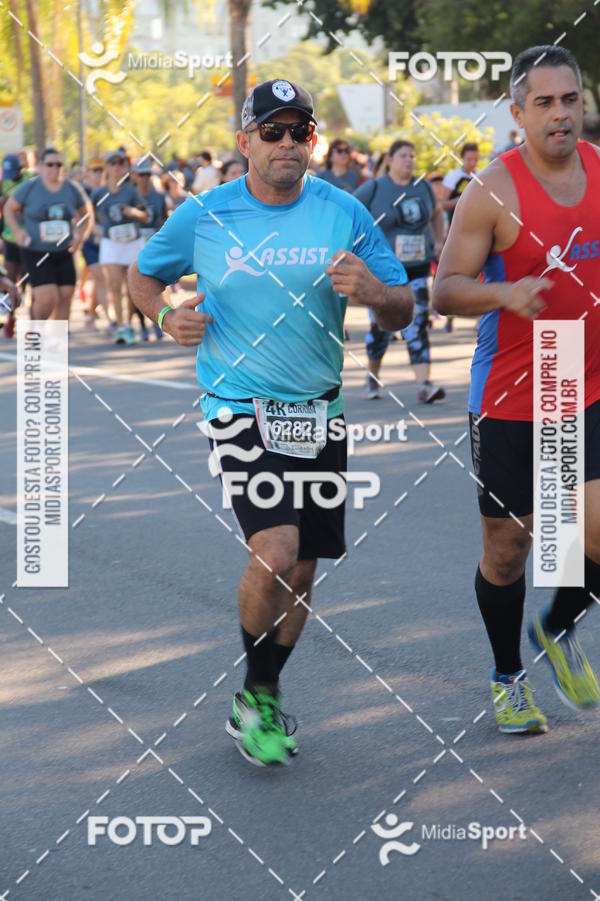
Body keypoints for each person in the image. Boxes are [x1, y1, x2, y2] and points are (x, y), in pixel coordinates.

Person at [129, 78, 413, 767]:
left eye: (300, 131)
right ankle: (257, 695)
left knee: (305, 572)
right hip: (238, 405)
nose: (288, 143)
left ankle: (260, 687)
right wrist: (168, 317)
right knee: (277, 551)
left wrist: (375, 293)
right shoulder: (205, 214)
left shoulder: (343, 210)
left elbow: (402, 305)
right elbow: (143, 278)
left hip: (319, 409)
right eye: (273, 131)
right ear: (245, 141)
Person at [433, 45, 600, 734]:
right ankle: (508, 673)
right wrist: (503, 290)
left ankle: (558, 623)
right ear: (517, 112)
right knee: (511, 549)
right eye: (545, 103)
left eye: (570, 100)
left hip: (579, 381)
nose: (561, 114)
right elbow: (444, 287)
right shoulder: (493, 190)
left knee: (589, 535)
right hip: (508, 393)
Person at [355, 140, 446, 402]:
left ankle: (424, 384)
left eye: (412, 155)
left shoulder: (424, 187)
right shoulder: (374, 189)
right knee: (380, 330)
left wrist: (439, 240)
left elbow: (437, 213)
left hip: (417, 270)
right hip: (383, 274)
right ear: (391, 159)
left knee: (417, 325)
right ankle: (372, 379)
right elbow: (350, 213)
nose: (409, 160)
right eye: (403, 155)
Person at [4, 146, 92, 320]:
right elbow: (9, 209)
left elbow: (87, 214)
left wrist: (80, 236)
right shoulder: (29, 188)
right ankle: (36, 327)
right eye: (50, 164)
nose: (55, 169)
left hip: (63, 250)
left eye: (59, 165)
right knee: (48, 297)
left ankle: (58, 342)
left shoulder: (71, 188)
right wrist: (17, 232)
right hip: (36, 251)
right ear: (41, 166)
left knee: (66, 294)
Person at [91, 150, 147, 344]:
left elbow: (145, 215)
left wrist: (132, 211)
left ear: (124, 167)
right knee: (114, 284)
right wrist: (97, 229)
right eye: (112, 163)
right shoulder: (98, 193)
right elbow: (89, 216)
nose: (116, 167)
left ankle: (129, 324)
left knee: (131, 286)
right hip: (111, 242)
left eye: (120, 163)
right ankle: (121, 325)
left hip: (131, 241)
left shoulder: (131, 191)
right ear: (106, 167)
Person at [134, 159, 168, 339]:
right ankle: (141, 325)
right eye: (141, 175)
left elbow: (165, 219)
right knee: (135, 285)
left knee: (158, 284)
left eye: (148, 174)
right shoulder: (131, 197)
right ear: (135, 176)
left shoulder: (159, 196)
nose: (145, 178)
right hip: (134, 244)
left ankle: (158, 322)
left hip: (154, 243)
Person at [1, 153, 32, 336]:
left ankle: (33, 321)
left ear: (21, 169)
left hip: (30, 239)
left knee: (30, 281)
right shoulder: (3, 182)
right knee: (9, 279)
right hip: (10, 237)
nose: (10, 176)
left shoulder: (31, 180)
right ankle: (10, 317)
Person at [80, 158, 108, 327]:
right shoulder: (82, 191)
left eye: (100, 170)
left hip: (105, 241)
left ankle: (91, 312)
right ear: (87, 173)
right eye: (94, 170)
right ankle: (112, 320)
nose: (98, 174)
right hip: (88, 240)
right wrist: (90, 228)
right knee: (101, 277)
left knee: (100, 279)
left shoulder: (108, 191)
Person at [441, 142, 479, 226]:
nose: (472, 163)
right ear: (462, 158)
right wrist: (459, 201)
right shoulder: (453, 176)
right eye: (469, 159)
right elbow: (442, 204)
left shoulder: (481, 176)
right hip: (455, 224)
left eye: (475, 159)